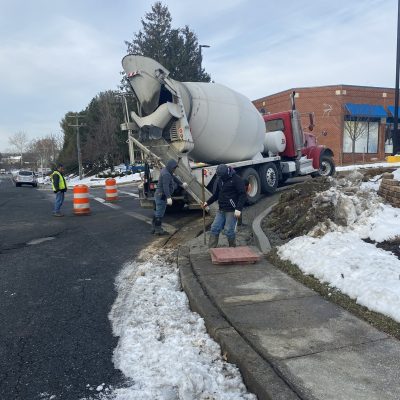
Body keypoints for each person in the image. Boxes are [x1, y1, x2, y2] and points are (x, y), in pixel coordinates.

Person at [202, 164, 247, 248]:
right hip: (221, 209)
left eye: (221, 176)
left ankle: (232, 247)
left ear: (226, 173)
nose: (220, 177)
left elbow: (242, 194)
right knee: (214, 228)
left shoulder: (236, 179)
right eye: (218, 176)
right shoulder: (220, 180)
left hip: (231, 210)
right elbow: (216, 194)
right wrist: (207, 202)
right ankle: (212, 249)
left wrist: (238, 209)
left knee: (229, 230)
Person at [152, 159, 188, 235]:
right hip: (162, 195)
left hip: (160, 195)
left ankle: (154, 229)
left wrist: (181, 184)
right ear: (171, 167)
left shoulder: (167, 171)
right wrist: (168, 197)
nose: (175, 169)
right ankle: (158, 230)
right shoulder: (166, 174)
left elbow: (174, 178)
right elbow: (165, 187)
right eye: (174, 168)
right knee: (159, 213)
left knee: (157, 212)